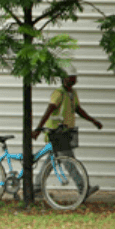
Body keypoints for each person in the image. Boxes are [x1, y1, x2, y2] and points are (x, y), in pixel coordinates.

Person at [32, 68, 103, 199]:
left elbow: (78, 109)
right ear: (64, 79)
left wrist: (93, 121)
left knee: (50, 162)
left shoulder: (73, 93)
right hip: (56, 132)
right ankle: (83, 189)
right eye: (70, 77)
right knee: (69, 161)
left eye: (74, 77)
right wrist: (38, 128)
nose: (73, 79)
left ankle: (36, 188)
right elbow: (49, 110)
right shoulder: (58, 93)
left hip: (65, 133)